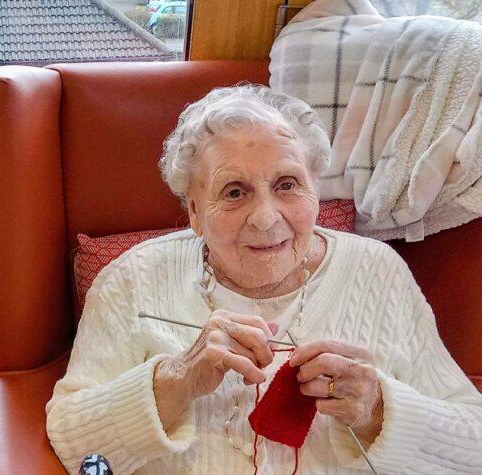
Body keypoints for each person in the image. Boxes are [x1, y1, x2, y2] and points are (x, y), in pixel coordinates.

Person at [46, 85, 482, 474]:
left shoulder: (378, 273)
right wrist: (176, 380)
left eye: (288, 184)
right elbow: (72, 443)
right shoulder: (131, 280)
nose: (266, 217)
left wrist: (379, 409)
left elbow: (473, 445)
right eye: (234, 192)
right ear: (194, 211)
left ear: (316, 191)